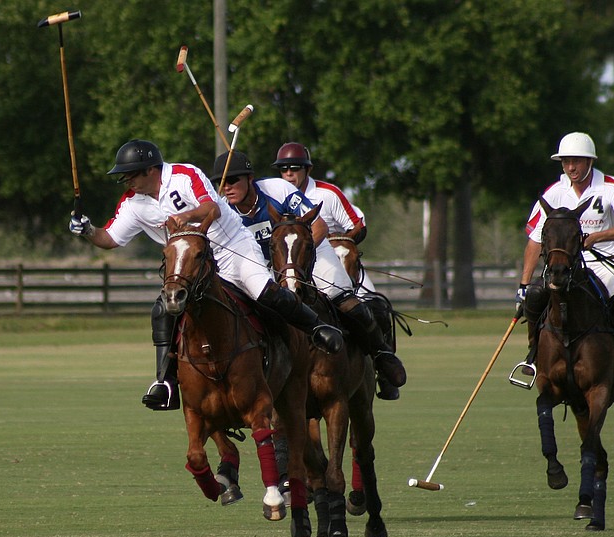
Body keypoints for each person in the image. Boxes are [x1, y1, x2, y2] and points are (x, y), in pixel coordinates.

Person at [68, 139, 343, 411]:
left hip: (232, 248)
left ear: (149, 170)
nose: (126, 181)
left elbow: (211, 208)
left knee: (264, 292)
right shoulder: (132, 203)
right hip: (192, 265)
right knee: (164, 309)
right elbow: (110, 239)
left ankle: (316, 327)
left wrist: (186, 217)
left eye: (129, 175)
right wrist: (88, 230)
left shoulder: (184, 175)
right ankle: (165, 382)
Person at [512, 132, 614, 398]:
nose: (571, 167)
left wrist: (598, 237)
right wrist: (523, 284)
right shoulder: (554, 193)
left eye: (577, 161)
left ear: (590, 161)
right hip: (564, 267)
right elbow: (533, 240)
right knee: (537, 297)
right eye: (566, 162)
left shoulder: (612, 187)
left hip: (605, 264)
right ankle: (532, 357)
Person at [271, 142, 406, 400]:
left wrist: (339, 242)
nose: (289, 173)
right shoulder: (275, 196)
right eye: (284, 169)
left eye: (295, 168)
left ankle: (383, 364)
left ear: (307, 170)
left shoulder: (328, 194)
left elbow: (357, 225)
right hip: (291, 264)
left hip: (334, 260)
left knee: (375, 306)